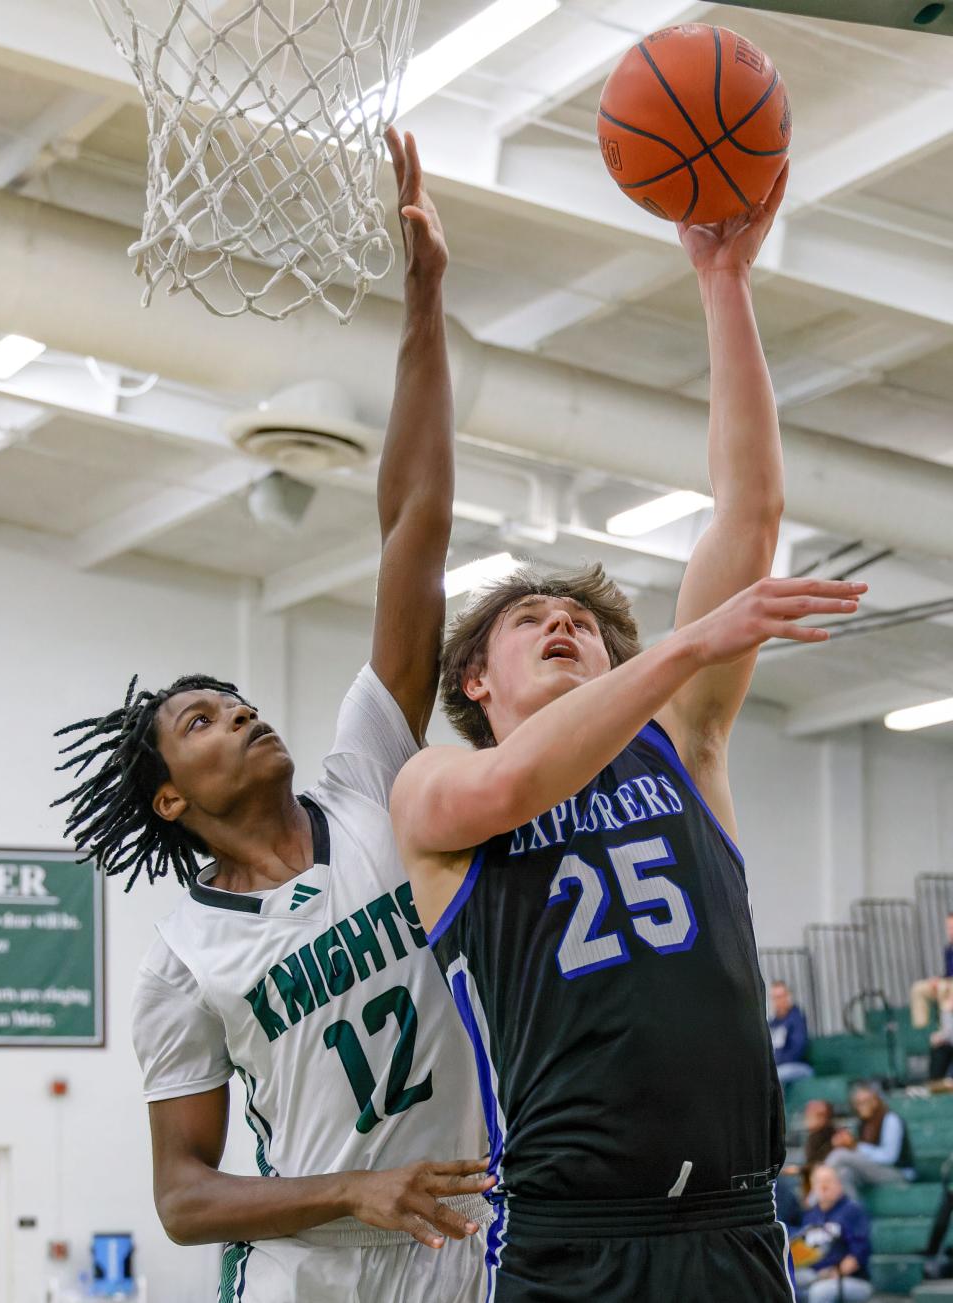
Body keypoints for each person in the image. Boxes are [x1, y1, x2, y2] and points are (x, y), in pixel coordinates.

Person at [393, 163, 869, 1302]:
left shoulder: (678, 741)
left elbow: (747, 514)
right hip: (574, 1236)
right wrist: (683, 645)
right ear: (474, 676)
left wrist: (723, 279)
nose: (565, 622)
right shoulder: (430, 787)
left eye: (585, 624)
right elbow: (508, 791)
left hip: (737, 1224)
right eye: (530, 619)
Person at [52, 131, 493, 1303]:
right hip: (320, 1271)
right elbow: (186, 1198)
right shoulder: (179, 963)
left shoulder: (363, 776)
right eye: (203, 719)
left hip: (466, 1249)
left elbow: (414, 526)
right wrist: (350, 1190)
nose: (240, 712)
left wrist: (424, 304)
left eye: (237, 699)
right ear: (170, 794)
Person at [793, 1165, 872, 1303]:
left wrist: (832, 1273)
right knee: (783, 1283)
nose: (823, 1186)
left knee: (819, 1292)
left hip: (848, 1279)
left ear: (839, 1184)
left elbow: (858, 1255)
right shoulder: (810, 1215)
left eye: (828, 1181)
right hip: (814, 1275)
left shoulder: (852, 1211)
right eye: (818, 1182)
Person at [826, 1083, 915, 1201]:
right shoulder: (863, 1124)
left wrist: (855, 1147)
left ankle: (813, 1198)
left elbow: (889, 1157)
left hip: (898, 1172)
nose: (861, 1106)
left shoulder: (890, 1120)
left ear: (876, 1100)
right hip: (875, 1171)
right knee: (844, 1173)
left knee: (839, 1155)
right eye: (858, 1103)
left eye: (866, 1101)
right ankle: (856, 1215)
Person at [911, 912, 953, 1029]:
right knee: (918, 988)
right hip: (947, 981)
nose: (950, 931)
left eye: (952, 927)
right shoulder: (948, 949)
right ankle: (921, 1029)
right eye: (948, 928)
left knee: (943, 988)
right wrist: (937, 979)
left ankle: (945, 1030)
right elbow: (948, 972)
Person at [770, 980, 814, 1088]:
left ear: (788, 996)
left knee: (773, 1077)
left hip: (799, 1067)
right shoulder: (773, 1023)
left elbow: (797, 1051)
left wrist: (775, 1062)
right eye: (776, 997)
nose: (779, 1000)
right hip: (779, 1067)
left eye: (782, 996)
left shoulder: (796, 1018)